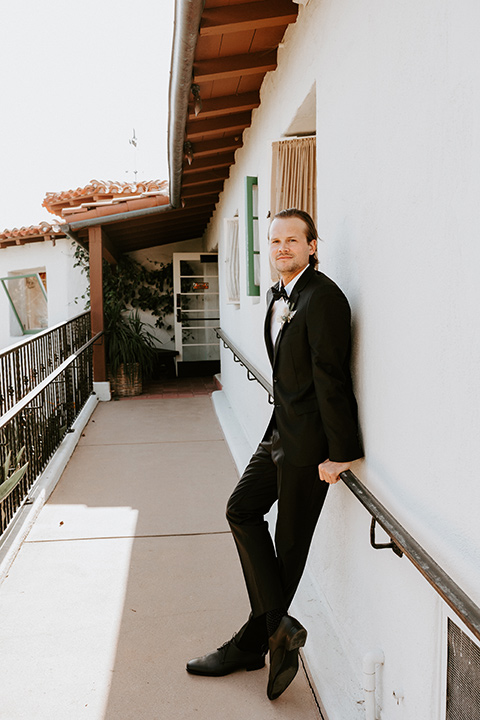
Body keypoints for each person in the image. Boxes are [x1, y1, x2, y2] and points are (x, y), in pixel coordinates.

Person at [186, 208, 362, 700]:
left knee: (288, 548)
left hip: (311, 449)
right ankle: (274, 630)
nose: (281, 248)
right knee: (240, 509)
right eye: (274, 242)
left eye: (292, 240)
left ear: (312, 245)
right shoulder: (283, 296)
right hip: (279, 432)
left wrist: (342, 453)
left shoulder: (323, 299)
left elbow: (332, 376)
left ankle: (249, 642)